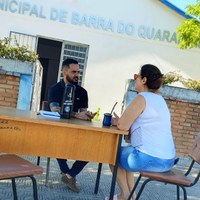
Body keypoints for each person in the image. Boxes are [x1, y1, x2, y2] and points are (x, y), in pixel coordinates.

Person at [105, 64, 176, 200]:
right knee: (127, 152)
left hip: (151, 160)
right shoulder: (160, 99)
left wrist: (117, 122)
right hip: (168, 160)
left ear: (144, 80)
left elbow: (122, 125)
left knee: (112, 153)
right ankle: (132, 196)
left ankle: (124, 195)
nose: (135, 79)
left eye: (136, 76)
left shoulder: (142, 97)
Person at [48, 58, 95, 193]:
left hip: (78, 132)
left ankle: (69, 175)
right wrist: (76, 115)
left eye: (78, 72)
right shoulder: (55, 89)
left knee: (93, 150)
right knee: (56, 144)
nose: (77, 75)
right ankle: (68, 175)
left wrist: (87, 115)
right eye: (73, 72)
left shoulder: (82, 91)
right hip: (59, 131)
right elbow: (55, 110)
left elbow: (83, 112)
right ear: (64, 72)